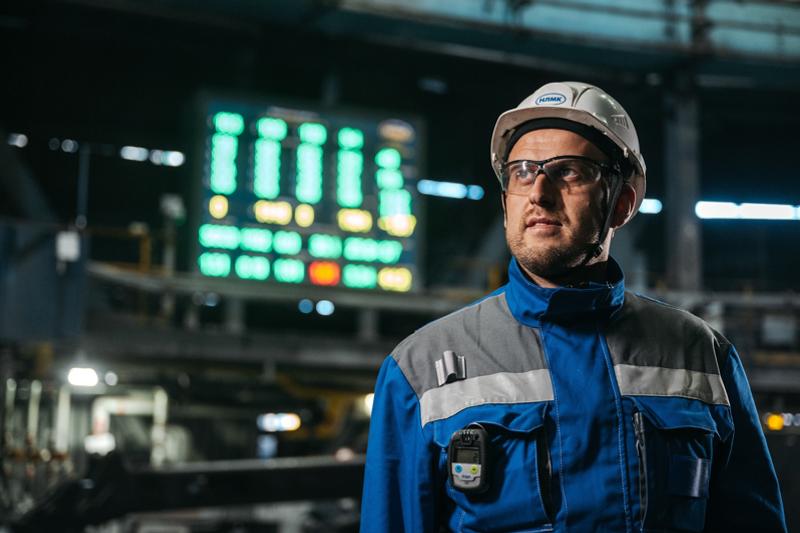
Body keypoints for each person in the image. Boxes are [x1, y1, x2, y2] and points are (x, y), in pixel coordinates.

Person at [360, 81, 787, 532]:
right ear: (505, 201)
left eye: (569, 172)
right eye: (523, 172)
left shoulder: (703, 355)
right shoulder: (420, 369)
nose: (539, 193)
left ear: (621, 203)